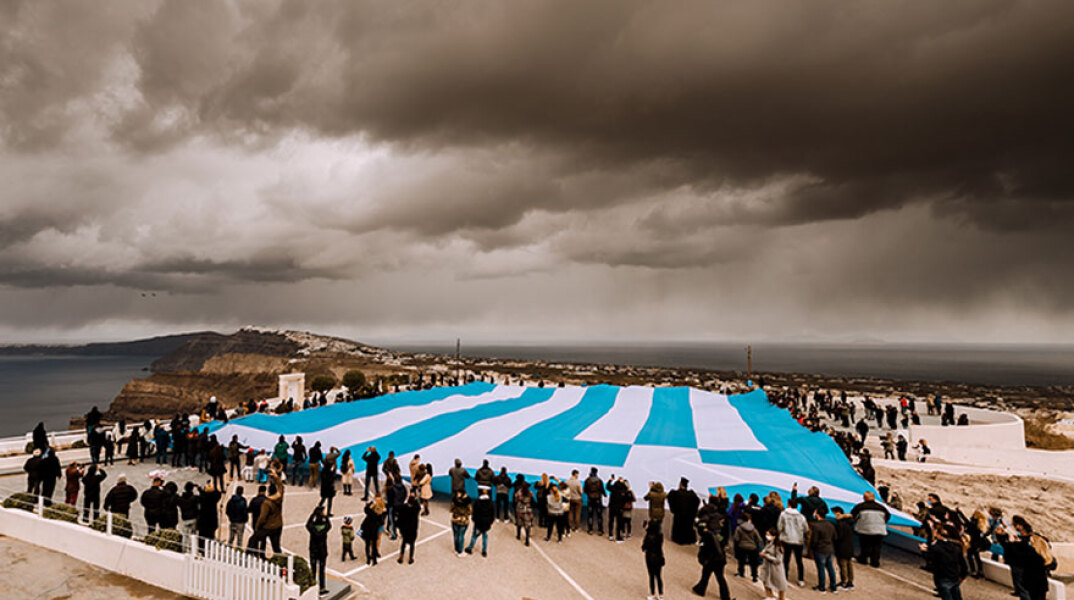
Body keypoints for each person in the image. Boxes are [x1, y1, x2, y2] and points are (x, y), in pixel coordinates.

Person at [920, 524, 968, 600]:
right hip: (954, 577)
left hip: (942, 577)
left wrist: (923, 551)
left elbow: (929, 559)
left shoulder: (936, 547)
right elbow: (963, 565)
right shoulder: (956, 547)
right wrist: (962, 576)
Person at [692, 520, 731, 600]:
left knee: (705, 575)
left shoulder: (707, 536)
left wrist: (702, 558)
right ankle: (725, 596)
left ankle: (701, 589)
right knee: (720, 578)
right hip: (720, 559)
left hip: (711, 559)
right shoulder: (719, 536)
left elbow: (704, 547)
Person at [249, 472, 285, 557]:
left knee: (253, 540)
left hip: (268, 527)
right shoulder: (279, 499)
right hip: (278, 525)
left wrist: (257, 526)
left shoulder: (267, 503)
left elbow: (262, 517)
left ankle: (248, 556)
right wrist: (277, 478)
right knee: (276, 547)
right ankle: (280, 561)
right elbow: (281, 488)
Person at [851, 491, 890, 567]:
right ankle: (875, 562)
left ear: (864, 498)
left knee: (865, 545)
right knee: (877, 547)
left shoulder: (860, 507)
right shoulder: (882, 508)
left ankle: (863, 559)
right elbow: (887, 516)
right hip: (880, 530)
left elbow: (853, 516)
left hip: (865, 529)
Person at [777, 498, 808, 586]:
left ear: (788, 504)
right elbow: (806, 529)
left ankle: (785, 577)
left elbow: (779, 527)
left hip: (787, 539)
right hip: (798, 540)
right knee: (799, 560)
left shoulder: (783, 514)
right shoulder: (801, 517)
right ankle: (801, 579)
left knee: (786, 559)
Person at [809, 508, 838, 593]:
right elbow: (835, 537)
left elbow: (814, 540)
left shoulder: (816, 526)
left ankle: (821, 586)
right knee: (830, 568)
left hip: (820, 549)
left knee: (821, 568)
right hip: (830, 548)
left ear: (817, 515)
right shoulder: (830, 524)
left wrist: (812, 547)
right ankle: (833, 586)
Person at [306, 506, 331, 595]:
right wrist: (326, 517)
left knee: (313, 569)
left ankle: (312, 585)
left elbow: (307, 524)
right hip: (322, 549)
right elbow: (329, 525)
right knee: (322, 569)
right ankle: (322, 587)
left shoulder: (312, 527)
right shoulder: (325, 527)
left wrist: (313, 514)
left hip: (313, 549)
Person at [668, 477, 700, 545]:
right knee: (687, 527)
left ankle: (678, 539)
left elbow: (670, 498)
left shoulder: (676, 494)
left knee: (679, 527)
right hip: (688, 517)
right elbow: (697, 501)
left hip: (679, 516)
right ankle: (688, 540)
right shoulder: (692, 495)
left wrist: (674, 510)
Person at [732, 511, 763, 582]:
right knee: (753, 563)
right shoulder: (753, 528)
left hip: (742, 547)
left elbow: (736, 538)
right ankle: (754, 576)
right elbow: (759, 539)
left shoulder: (739, 528)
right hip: (752, 547)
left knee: (741, 561)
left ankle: (741, 573)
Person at [831, 507, 856, 590]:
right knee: (849, 565)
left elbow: (838, 537)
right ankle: (850, 582)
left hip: (842, 548)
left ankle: (844, 581)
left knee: (843, 565)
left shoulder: (840, 525)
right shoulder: (849, 522)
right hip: (849, 547)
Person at [760, 528, 788, 600]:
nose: (767, 536)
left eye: (768, 535)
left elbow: (778, 560)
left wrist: (766, 556)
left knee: (780, 584)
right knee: (765, 581)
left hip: (776, 568)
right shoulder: (769, 543)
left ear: (774, 536)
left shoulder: (778, 547)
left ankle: (781, 598)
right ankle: (770, 596)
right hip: (767, 567)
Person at [466, 485, 495, 556]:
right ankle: (484, 551)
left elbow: (474, 512)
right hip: (487, 522)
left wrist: (474, 519)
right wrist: (491, 521)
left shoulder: (477, 502)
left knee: (474, 535)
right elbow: (493, 513)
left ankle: (470, 548)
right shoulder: (491, 503)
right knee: (485, 536)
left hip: (478, 522)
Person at [642, 519, 666, 600]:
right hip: (659, 556)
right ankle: (661, 594)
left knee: (651, 576)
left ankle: (652, 594)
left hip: (650, 557)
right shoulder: (660, 536)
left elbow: (644, 547)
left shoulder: (649, 536)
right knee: (659, 576)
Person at [361, 496, 387, 566]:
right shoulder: (379, 515)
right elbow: (382, 522)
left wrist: (371, 503)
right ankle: (374, 560)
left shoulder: (370, 512)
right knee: (374, 545)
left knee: (367, 545)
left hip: (367, 529)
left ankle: (368, 559)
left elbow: (366, 508)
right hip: (374, 531)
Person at [397, 492, 421, 564]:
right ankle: (411, 557)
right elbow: (418, 506)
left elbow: (399, 517)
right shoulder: (415, 509)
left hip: (405, 528)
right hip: (413, 528)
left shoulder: (403, 507)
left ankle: (401, 556)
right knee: (412, 544)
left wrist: (399, 527)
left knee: (403, 542)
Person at [584, 467, 606, 535]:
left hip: (590, 499)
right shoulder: (599, 480)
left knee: (590, 515)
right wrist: (604, 494)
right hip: (598, 499)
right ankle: (600, 530)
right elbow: (602, 490)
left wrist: (589, 493)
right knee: (599, 515)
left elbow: (585, 490)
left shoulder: (587, 480)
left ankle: (590, 530)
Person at [450, 489, 472, 557]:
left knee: (456, 535)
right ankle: (460, 551)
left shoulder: (455, 501)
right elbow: (470, 511)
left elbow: (451, 509)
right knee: (461, 535)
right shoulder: (467, 503)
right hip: (463, 520)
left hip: (455, 519)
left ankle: (456, 549)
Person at [515, 482, 534, 546]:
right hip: (528, 510)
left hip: (520, 509)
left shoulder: (519, 492)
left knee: (519, 523)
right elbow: (532, 500)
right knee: (527, 525)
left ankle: (518, 535)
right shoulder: (530, 493)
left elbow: (516, 499)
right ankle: (527, 540)